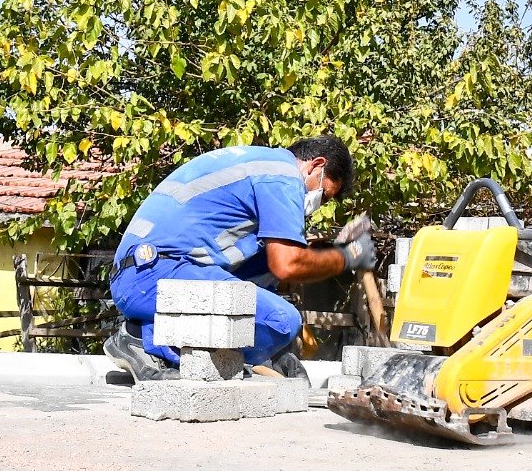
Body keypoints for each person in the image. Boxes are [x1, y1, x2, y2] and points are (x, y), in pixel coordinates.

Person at [103, 135, 372, 381]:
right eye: (324, 194)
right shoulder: (283, 176)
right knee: (282, 322)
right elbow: (288, 263)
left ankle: (263, 355)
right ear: (315, 165)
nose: (318, 203)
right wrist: (347, 257)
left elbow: (275, 262)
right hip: (151, 276)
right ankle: (145, 341)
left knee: (265, 260)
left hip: (142, 270)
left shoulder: (261, 163)